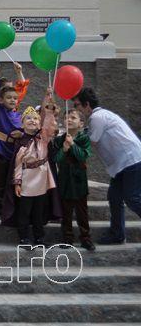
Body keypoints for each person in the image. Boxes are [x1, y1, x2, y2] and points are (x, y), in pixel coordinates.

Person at [73, 87, 141, 245]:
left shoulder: (97, 117)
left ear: (87, 104)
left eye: (77, 105)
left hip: (131, 161)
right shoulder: (101, 116)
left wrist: (70, 141)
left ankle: (117, 233)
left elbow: (91, 141)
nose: (76, 109)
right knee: (114, 197)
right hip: (122, 165)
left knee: (132, 198)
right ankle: (117, 234)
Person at [3, 89, 58, 246]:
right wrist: (17, 183)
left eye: (35, 118)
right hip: (27, 180)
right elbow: (17, 165)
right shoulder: (20, 142)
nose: (32, 120)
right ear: (22, 123)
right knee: (25, 211)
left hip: (42, 178)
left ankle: (39, 237)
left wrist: (48, 106)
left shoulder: (43, 137)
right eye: (28, 118)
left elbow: (49, 124)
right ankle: (24, 237)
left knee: (39, 211)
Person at [51, 109, 95, 250]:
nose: (69, 120)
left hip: (79, 180)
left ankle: (85, 238)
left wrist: (73, 145)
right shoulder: (59, 140)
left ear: (81, 123)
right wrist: (64, 149)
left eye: (73, 117)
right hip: (64, 180)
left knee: (82, 212)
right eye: (66, 117)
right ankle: (67, 238)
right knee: (66, 212)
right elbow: (56, 159)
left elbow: (83, 156)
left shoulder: (84, 139)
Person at [0, 65, 24, 225]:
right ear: (2, 100)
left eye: (15, 98)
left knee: (13, 183)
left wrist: (22, 134)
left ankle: (13, 213)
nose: (12, 100)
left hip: (14, 153)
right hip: (0, 151)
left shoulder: (19, 115)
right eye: (9, 98)